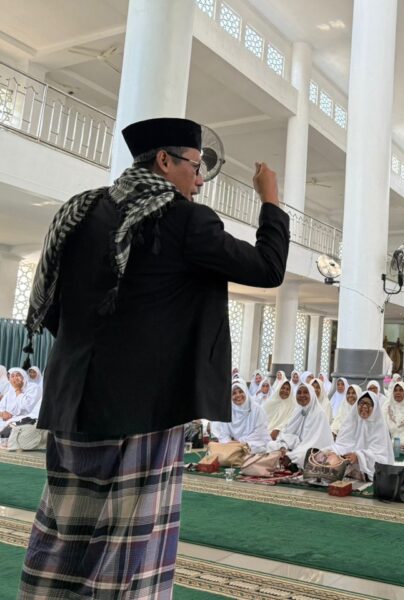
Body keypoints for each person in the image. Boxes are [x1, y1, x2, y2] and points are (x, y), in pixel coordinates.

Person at [19, 117, 289, 598]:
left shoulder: (81, 211)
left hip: (72, 401)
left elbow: (58, 308)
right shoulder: (182, 218)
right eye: (194, 165)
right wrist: (270, 199)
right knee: (128, 549)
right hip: (139, 411)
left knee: (65, 534)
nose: (199, 178)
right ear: (164, 161)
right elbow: (267, 269)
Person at [322, 391, 393, 481]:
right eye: (361, 403)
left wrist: (359, 456)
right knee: (326, 455)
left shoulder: (379, 425)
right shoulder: (351, 421)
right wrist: (333, 451)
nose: (364, 407)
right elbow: (342, 444)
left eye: (368, 404)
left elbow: (381, 455)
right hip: (348, 461)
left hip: (367, 465)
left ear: (374, 407)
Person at [266, 382, 334, 468]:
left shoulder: (319, 413)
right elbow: (288, 433)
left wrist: (293, 451)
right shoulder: (297, 411)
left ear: (312, 395)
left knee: (302, 455)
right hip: (294, 446)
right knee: (271, 445)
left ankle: (287, 461)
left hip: (311, 449)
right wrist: (284, 446)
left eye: (306, 392)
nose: (302, 395)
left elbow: (314, 442)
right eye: (299, 393)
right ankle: (287, 461)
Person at [211, 382, 269, 453]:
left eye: (241, 391)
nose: (238, 395)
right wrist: (229, 443)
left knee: (257, 449)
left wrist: (240, 442)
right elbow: (224, 433)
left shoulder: (257, 409)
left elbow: (259, 433)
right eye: (234, 393)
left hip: (253, 443)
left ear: (246, 392)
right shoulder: (228, 411)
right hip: (233, 446)